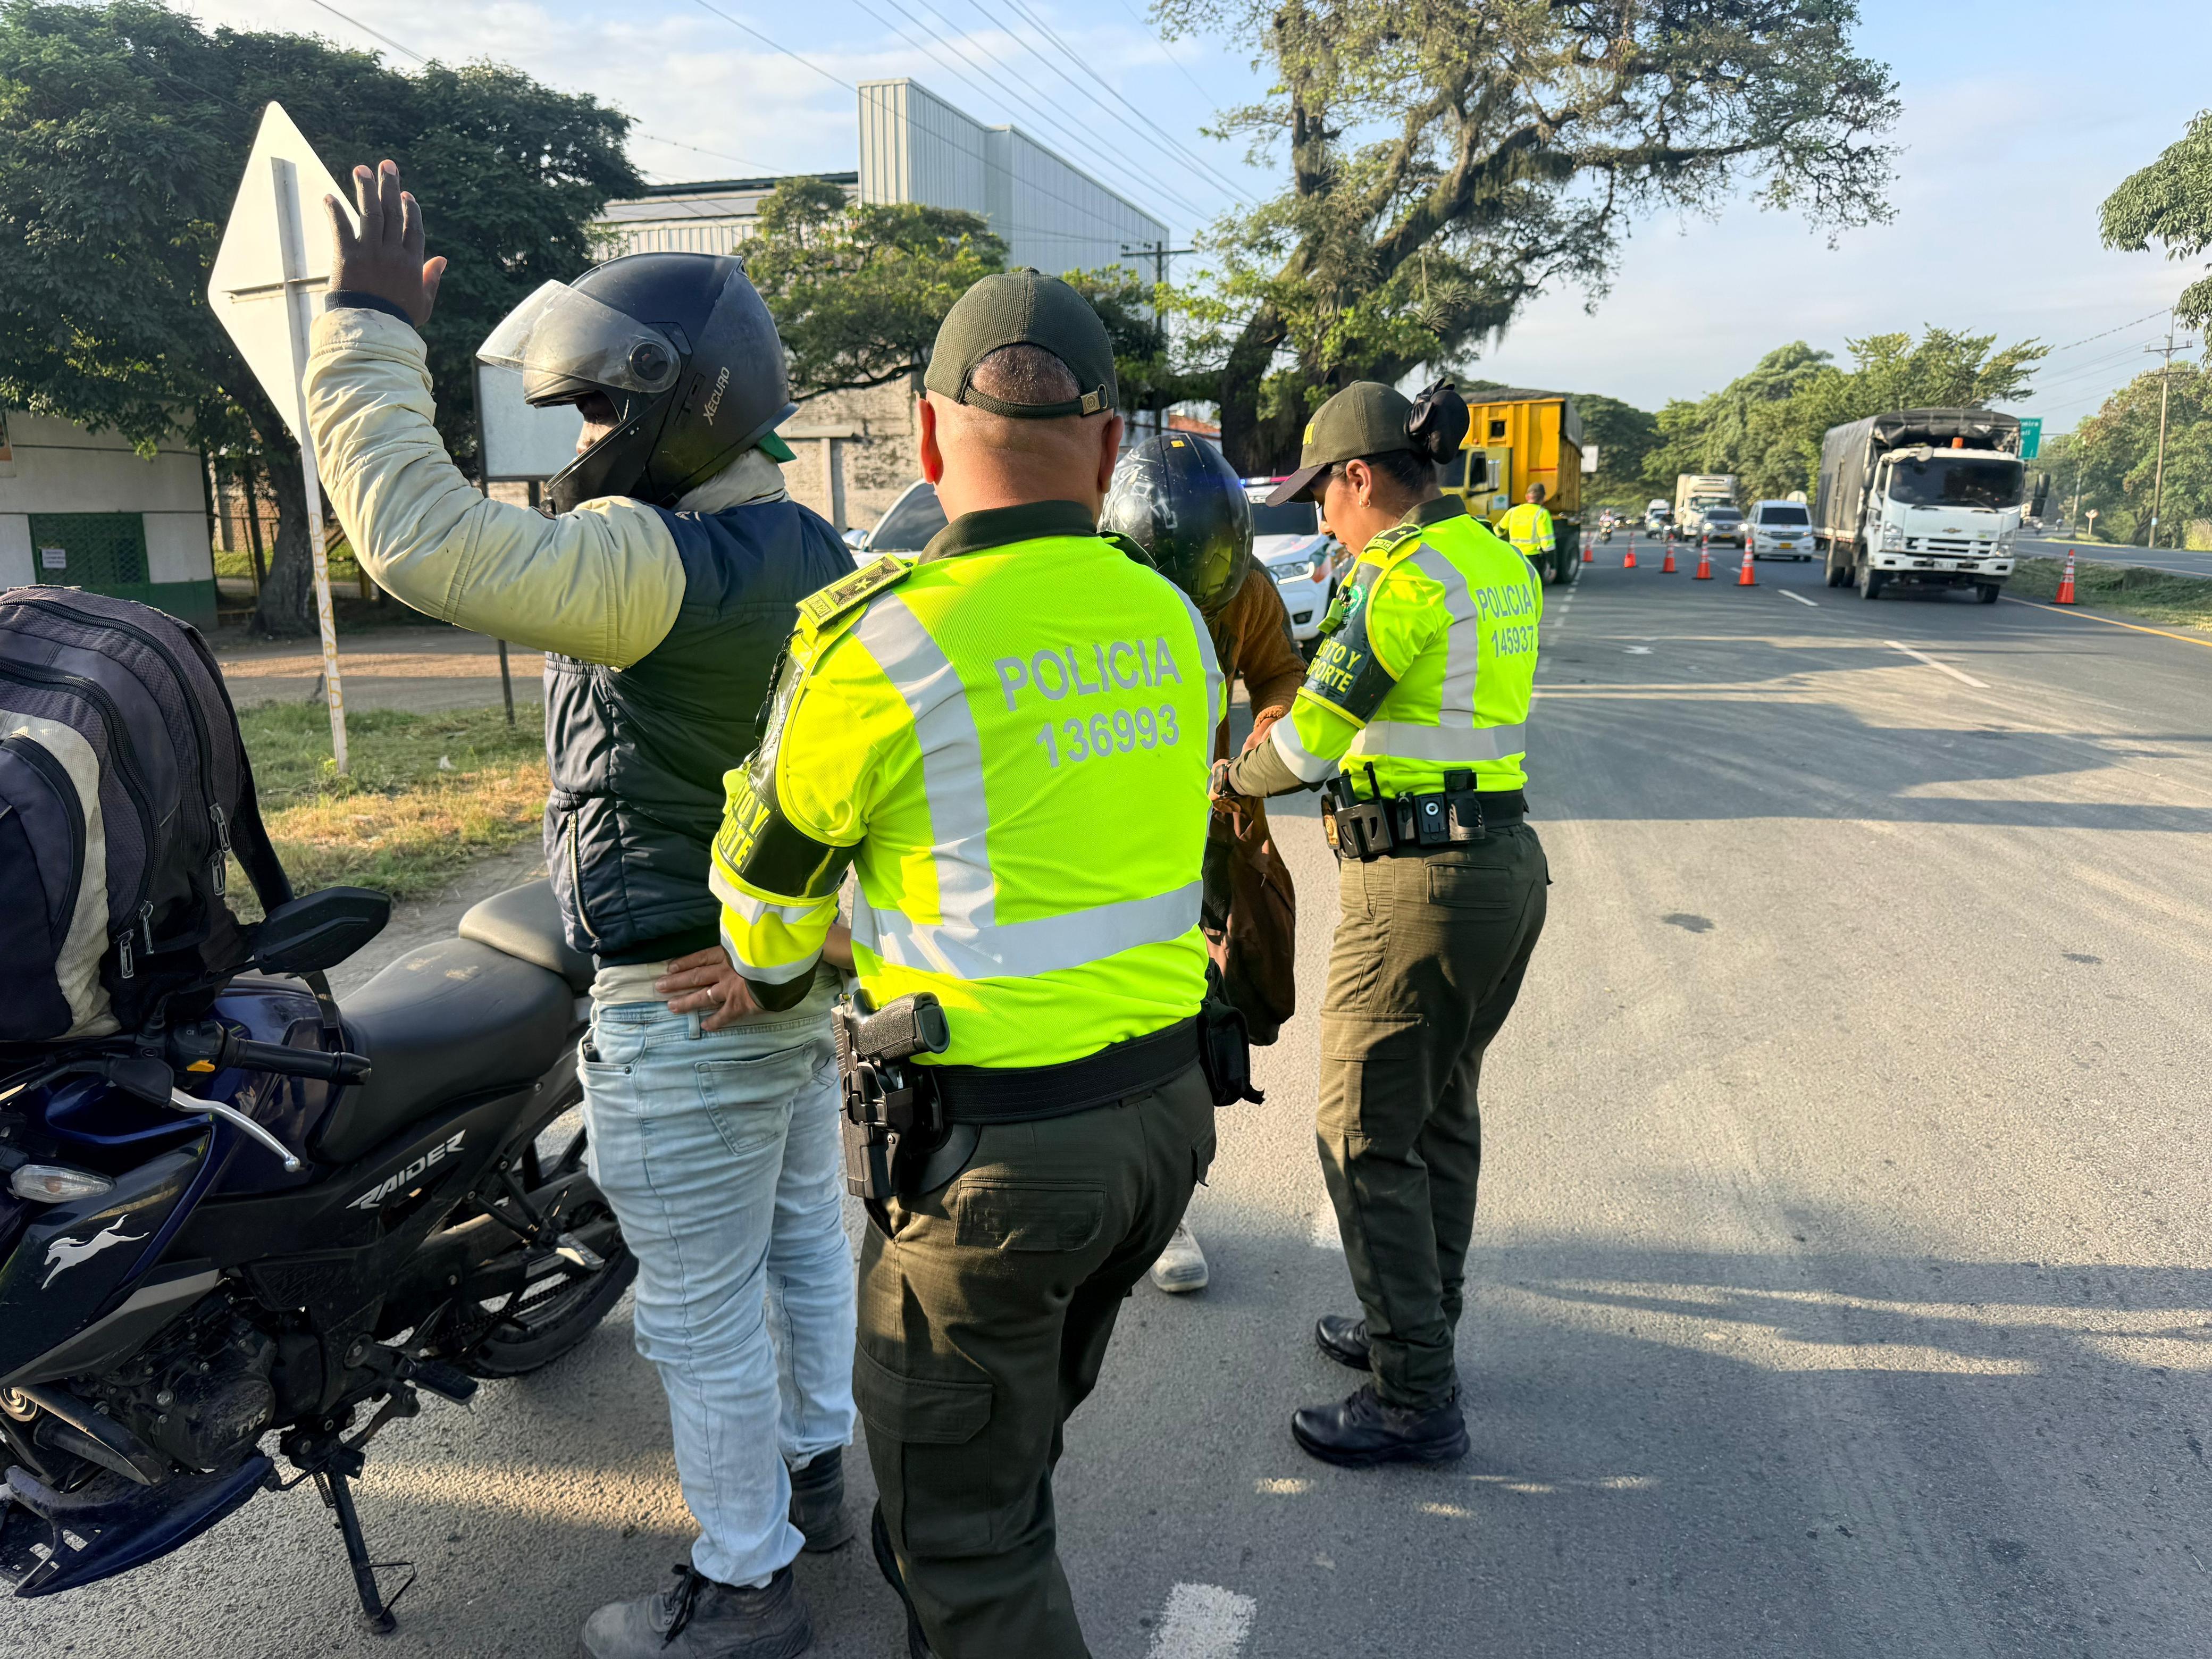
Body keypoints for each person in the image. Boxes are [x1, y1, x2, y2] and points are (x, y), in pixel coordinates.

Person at [307, 160, 858, 1658]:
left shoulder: (657, 565)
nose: (582, 442)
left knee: (693, 1312)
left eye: (604, 410)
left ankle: (746, 1581)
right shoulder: (818, 552)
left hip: (678, 995)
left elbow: (418, 542)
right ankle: (818, 1477)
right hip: (774, 976)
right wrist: (814, 945)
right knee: (804, 1236)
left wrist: (360, 332)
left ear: (689, 402)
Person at [709, 269, 1223, 1658]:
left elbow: (760, 932)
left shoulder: (875, 642)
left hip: (993, 1172)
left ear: (929, 444)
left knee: (964, 1538)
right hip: (1162, 1135)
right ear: (1114, 450)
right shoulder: (1170, 627)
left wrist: (810, 947)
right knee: (1011, 1442)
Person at [1219, 381, 1548, 1469]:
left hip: (1419, 881)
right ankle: (1418, 1326)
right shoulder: (1499, 559)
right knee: (1437, 1115)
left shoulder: (1402, 583)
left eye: (1323, 494)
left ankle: (1414, 1396)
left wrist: (1227, 774)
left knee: (1362, 1134)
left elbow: (1308, 747)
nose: (1319, 517)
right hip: (1496, 863)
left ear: (1360, 477)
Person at [1099, 433, 1305, 1294]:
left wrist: (1270, 725)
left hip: (1205, 831)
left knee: (1195, 1009)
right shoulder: (1090, 585)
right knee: (1100, 1012)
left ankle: (1169, 1207)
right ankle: (1094, 1195)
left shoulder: (1244, 589)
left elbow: (1282, 676)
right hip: (1096, 835)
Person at [1498, 481, 1556, 567]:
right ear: (1544, 498)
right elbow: (1547, 543)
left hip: (1515, 556)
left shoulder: (1513, 511)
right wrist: (1552, 566)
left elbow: (1499, 531)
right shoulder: (1542, 513)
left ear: (1527, 497)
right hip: (1533, 558)